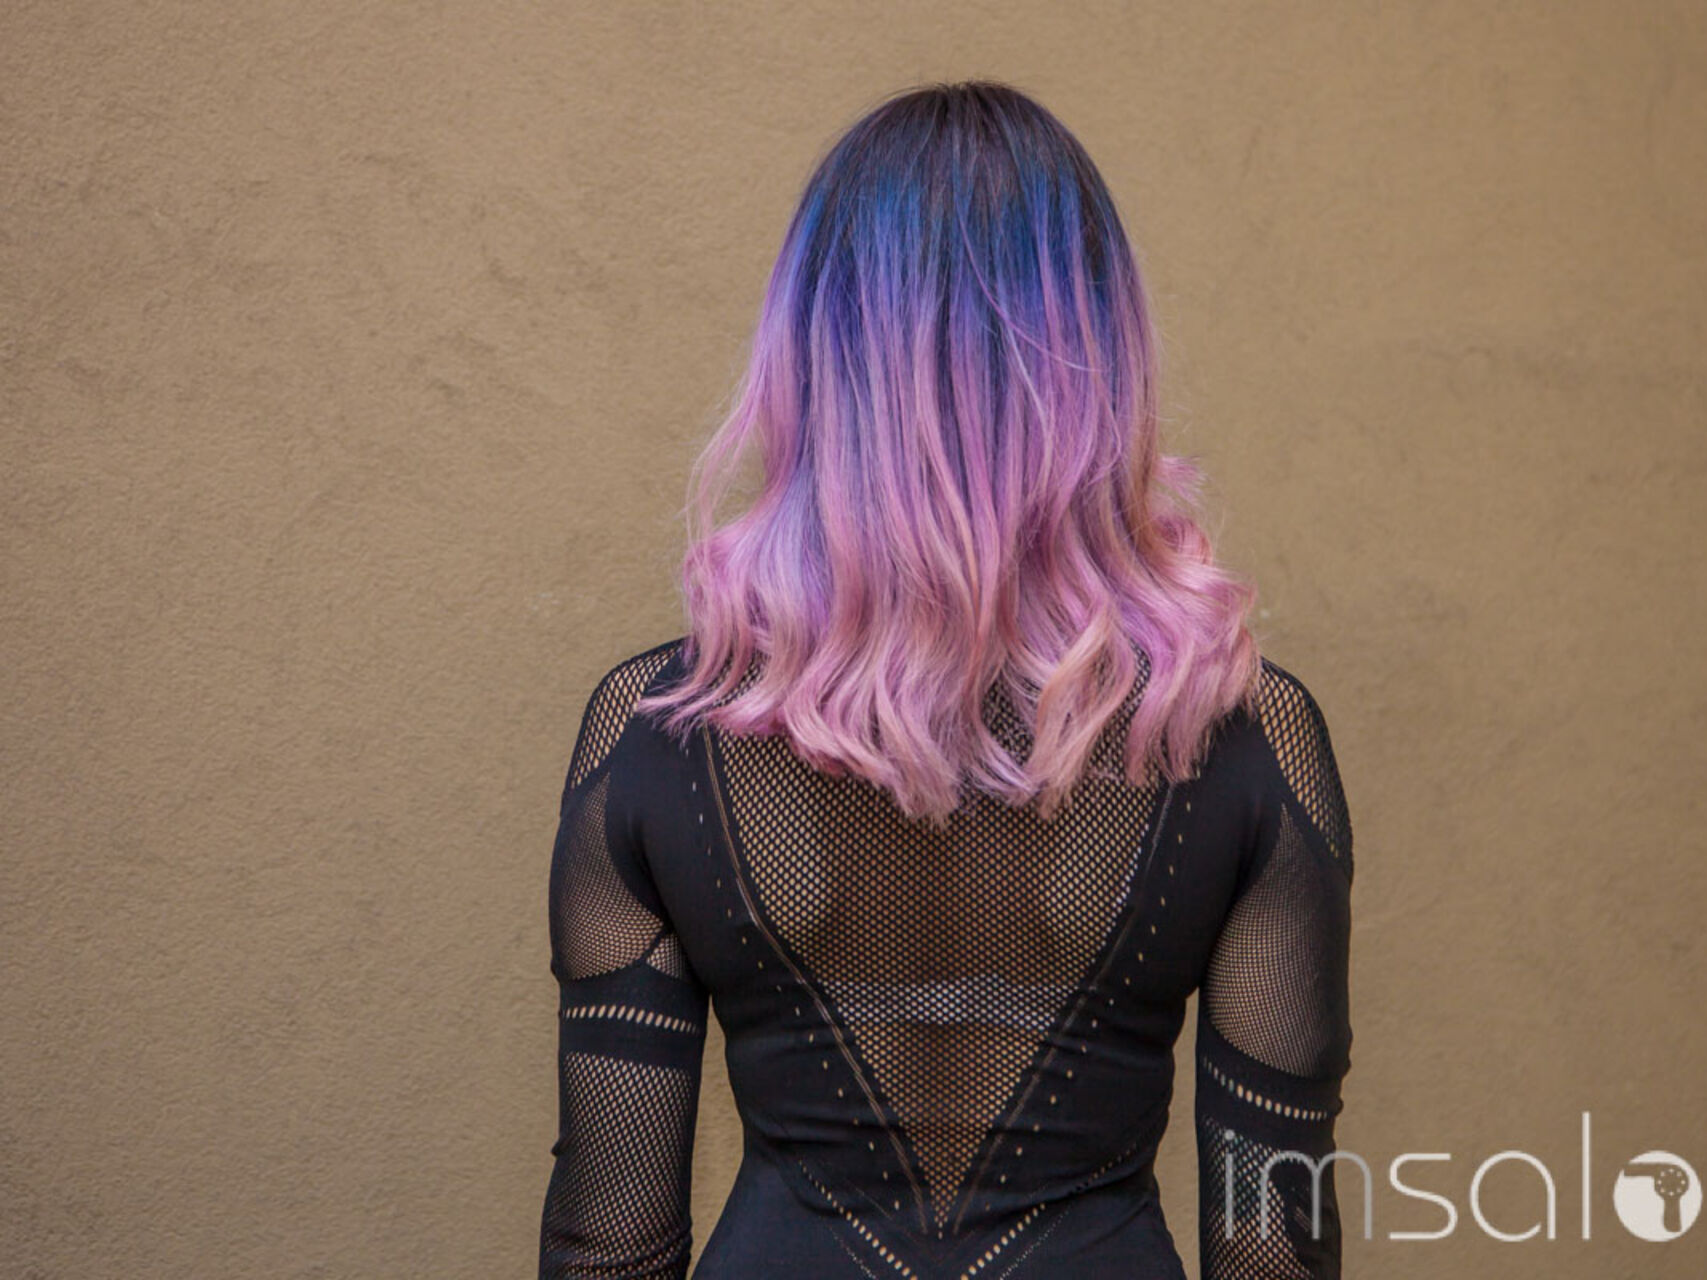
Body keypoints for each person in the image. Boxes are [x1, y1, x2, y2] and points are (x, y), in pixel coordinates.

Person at [536, 79, 1355, 1279]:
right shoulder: (1244, 734)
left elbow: (608, 1248)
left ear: (815, 359)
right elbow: (1272, 1250)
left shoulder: (654, 731)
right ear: (1100, 358)